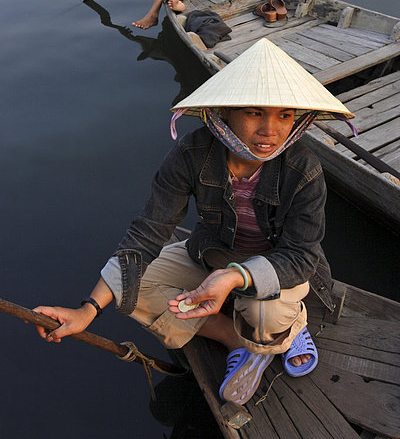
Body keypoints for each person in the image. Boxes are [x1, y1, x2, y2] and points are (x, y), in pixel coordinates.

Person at [34, 37, 355, 406]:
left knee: (265, 315)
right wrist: (87, 310)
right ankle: (236, 339)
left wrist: (236, 277)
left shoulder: (304, 169)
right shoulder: (191, 153)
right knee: (130, 291)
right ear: (225, 111)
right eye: (254, 112)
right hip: (211, 253)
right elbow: (147, 233)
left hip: (279, 264)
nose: (271, 130)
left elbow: (300, 256)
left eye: (284, 114)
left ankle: (287, 327)